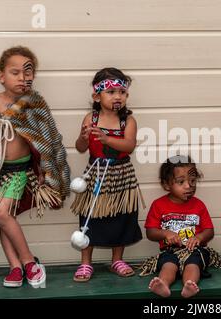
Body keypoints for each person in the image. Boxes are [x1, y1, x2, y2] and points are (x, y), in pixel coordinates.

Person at [0, 46, 70, 288]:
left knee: (1, 214)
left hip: (18, 172)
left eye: (27, 73)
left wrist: (46, 171)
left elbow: (47, 140)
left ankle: (29, 261)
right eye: (15, 73)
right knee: (4, 218)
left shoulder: (34, 104)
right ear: (2, 76)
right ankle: (15, 267)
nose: (23, 78)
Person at [71, 67, 143, 282]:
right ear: (97, 96)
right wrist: (84, 137)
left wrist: (106, 139)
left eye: (122, 92)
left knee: (121, 217)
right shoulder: (90, 118)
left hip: (121, 175)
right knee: (90, 217)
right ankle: (85, 262)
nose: (117, 96)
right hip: (95, 174)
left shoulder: (128, 121)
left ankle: (117, 259)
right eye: (111, 92)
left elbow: (128, 145)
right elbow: (81, 147)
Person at [143, 155, 215, 298]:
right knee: (168, 265)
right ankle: (163, 284)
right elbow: (150, 232)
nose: (188, 186)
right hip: (170, 251)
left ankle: (190, 284)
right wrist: (165, 234)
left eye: (192, 181)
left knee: (193, 264)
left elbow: (210, 231)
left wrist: (199, 237)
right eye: (181, 182)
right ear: (166, 185)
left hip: (194, 250)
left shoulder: (198, 205)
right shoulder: (158, 205)